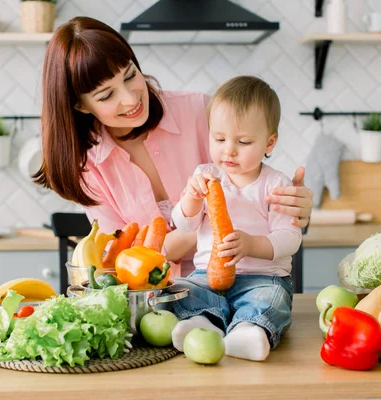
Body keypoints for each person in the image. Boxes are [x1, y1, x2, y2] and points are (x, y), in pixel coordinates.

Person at [33, 16, 313, 277]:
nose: (131, 99)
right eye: (107, 95)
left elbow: (259, 197)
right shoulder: (90, 168)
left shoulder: (199, 111)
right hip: (154, 305)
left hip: (242, 282)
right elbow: (123, 259)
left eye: (130, 75)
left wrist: (293, 207)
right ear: (80, 105)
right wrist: (205, 230)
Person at [167, 76, 301, 362]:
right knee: (183, 289)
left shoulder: (276, 183)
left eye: (243, 141)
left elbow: (290, 239)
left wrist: (251, 245)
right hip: (207, 275)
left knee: (270, 301)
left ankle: (250, 330)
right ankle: (203, 323)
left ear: (269, 142)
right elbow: (184, 224)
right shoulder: (205, 175)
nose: (229, 150)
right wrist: (191, 198)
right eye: (219, 139)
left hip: (263, 278)